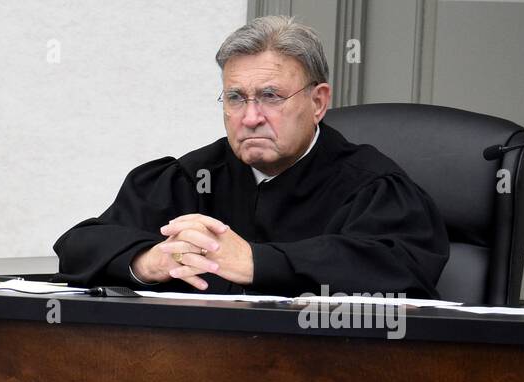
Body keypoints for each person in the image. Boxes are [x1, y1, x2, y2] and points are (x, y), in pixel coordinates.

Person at [54, 15, 449, 298]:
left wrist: (256, 262)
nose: (251, 117)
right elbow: (81, 245)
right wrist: (148, 261)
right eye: (235, 98)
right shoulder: (192, 176)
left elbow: (399, 270)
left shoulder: (371, 186)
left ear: (318, 102)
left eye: (271, 96)